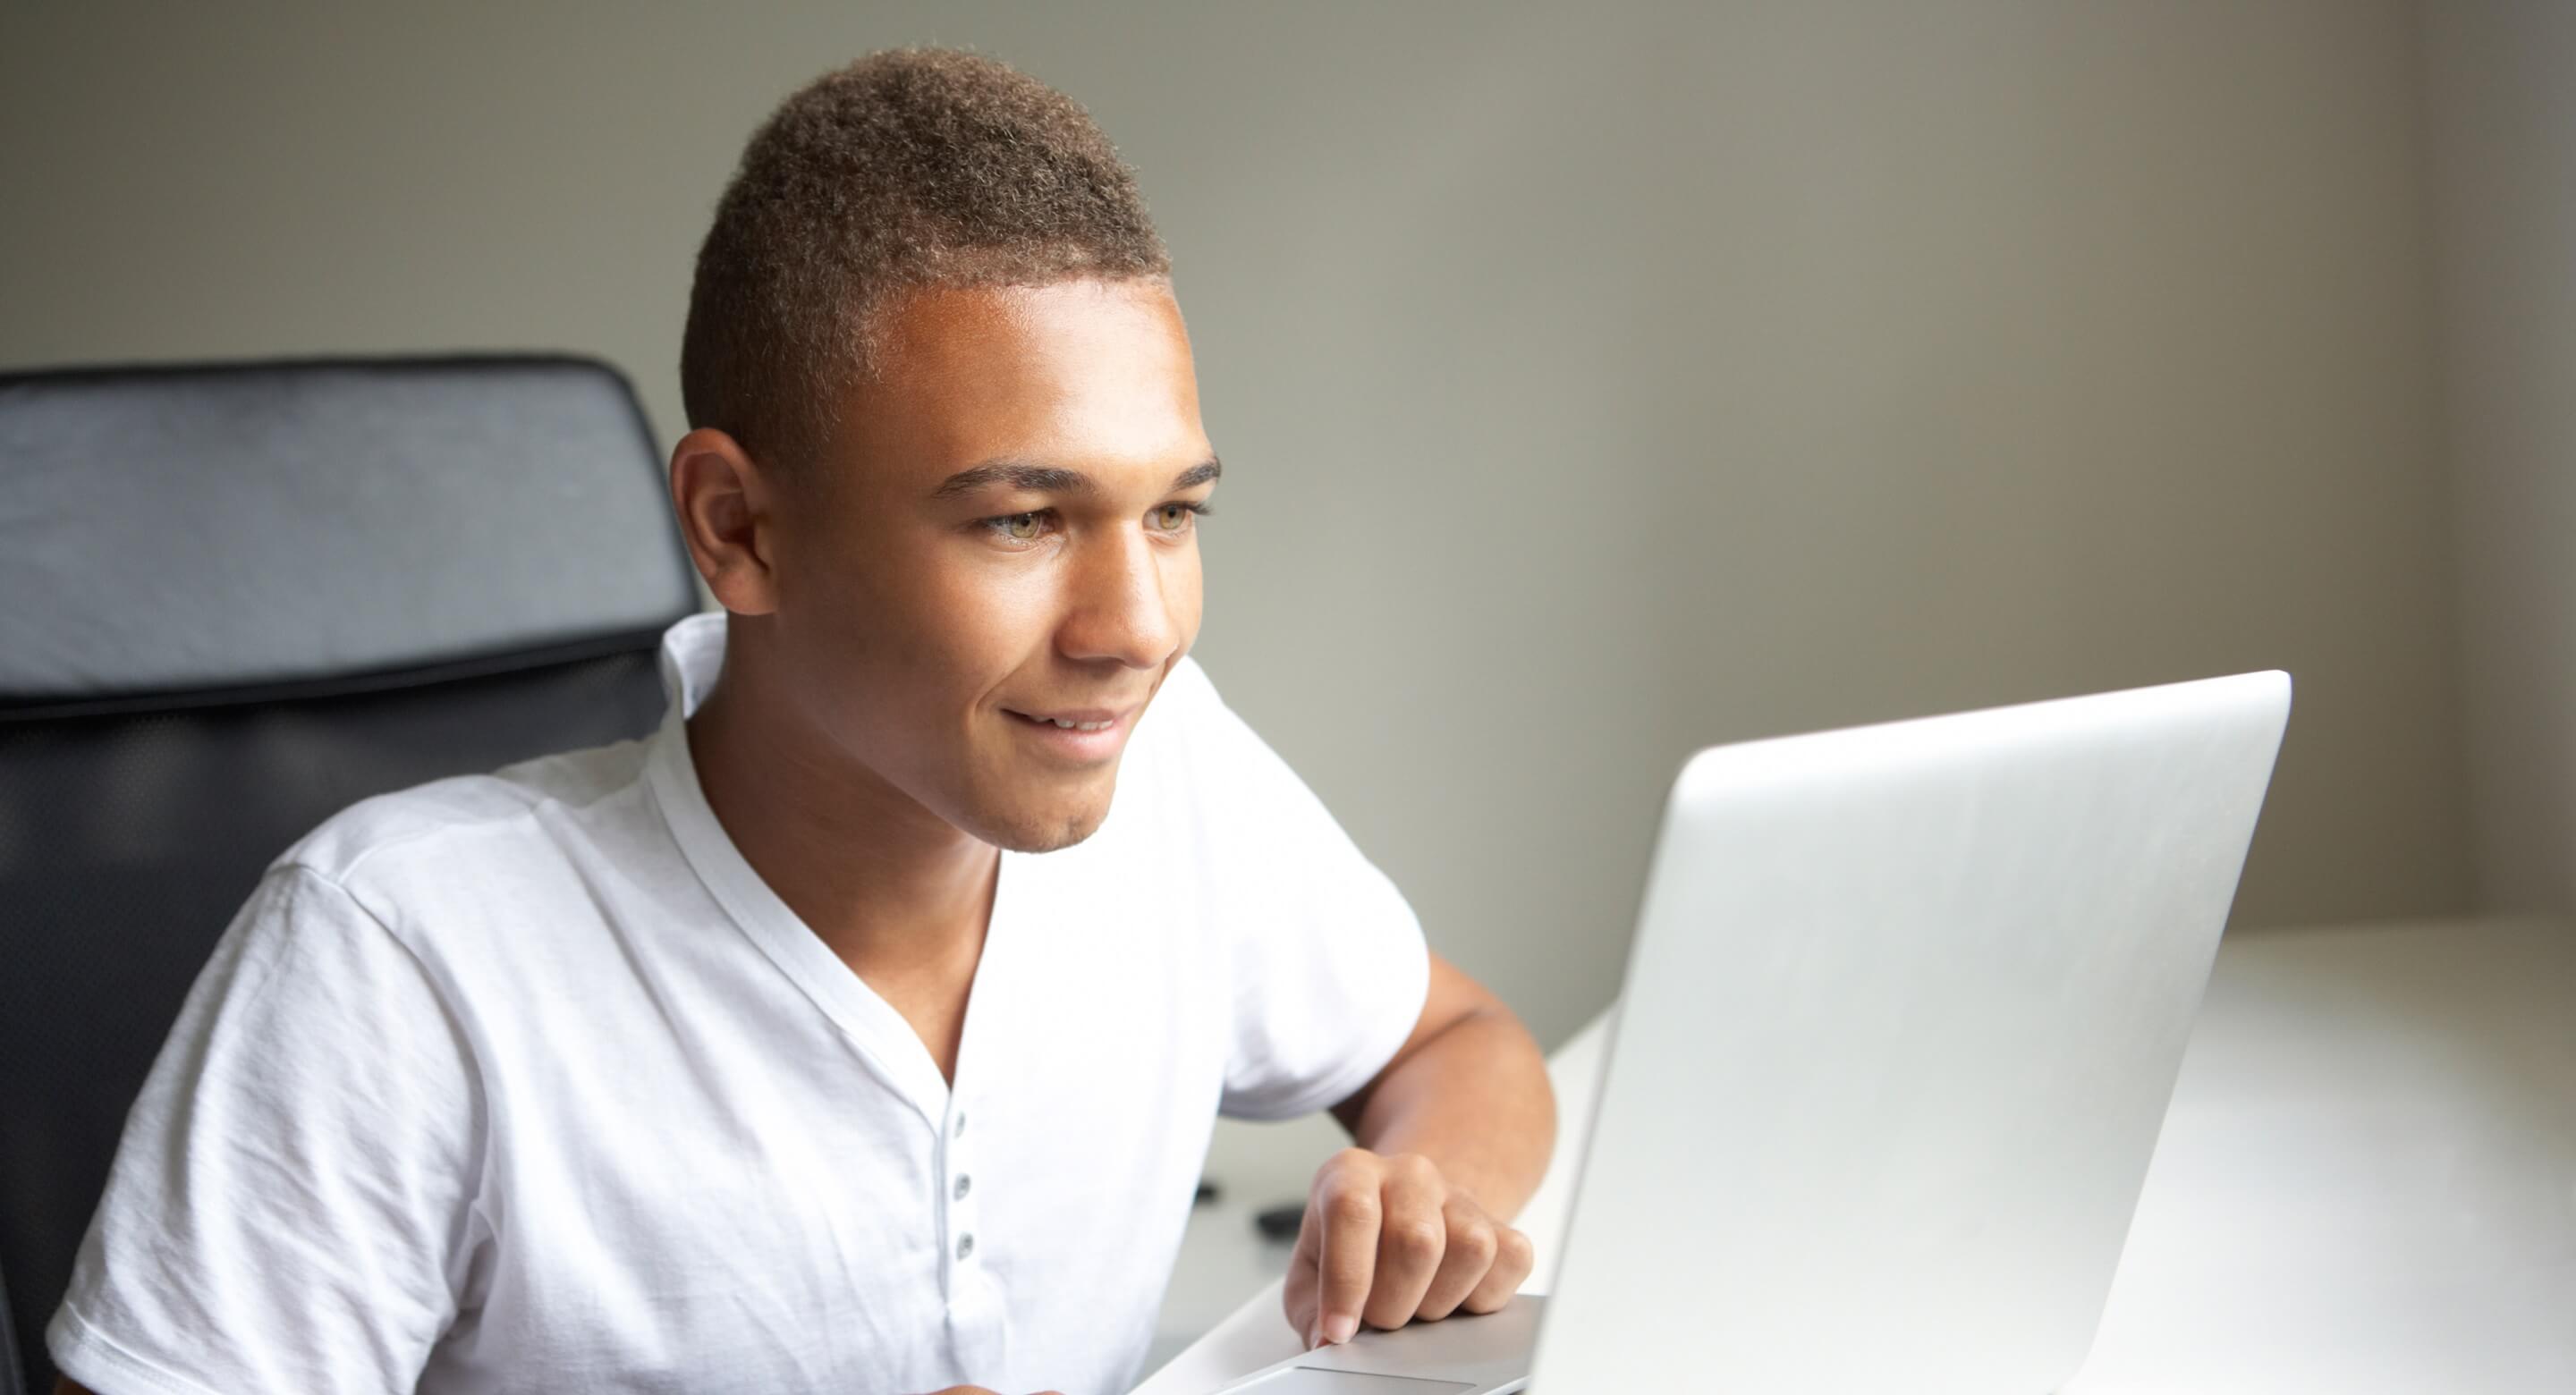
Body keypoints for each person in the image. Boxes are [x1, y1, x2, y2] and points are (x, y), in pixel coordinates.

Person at [47, 46, 1555, 1395]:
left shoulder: (1169, 777)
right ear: (739, 529)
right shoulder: (396, 958)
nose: (1139, 630)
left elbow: (1459, 1038)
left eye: (1170, 513)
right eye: (1024, 520)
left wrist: (1427, 1185)